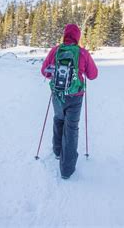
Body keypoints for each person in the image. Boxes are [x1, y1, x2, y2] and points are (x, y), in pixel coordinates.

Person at [41, 24, 98, 179]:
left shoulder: (55, 50)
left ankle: (58, 151)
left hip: (57, 95)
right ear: (78, 37)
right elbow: (93, 75)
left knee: (59, 119)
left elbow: (44, 71)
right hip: (75, 96)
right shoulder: (82, 53)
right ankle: (66, 170)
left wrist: (55, 75)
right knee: (71, 128)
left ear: (65, 35)